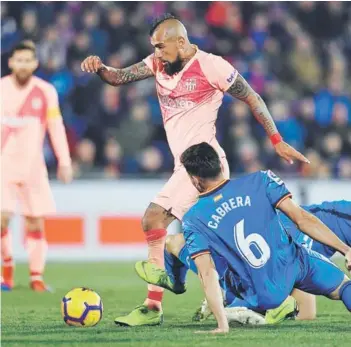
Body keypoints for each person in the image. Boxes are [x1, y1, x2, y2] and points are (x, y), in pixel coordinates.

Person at [81, 13, 309, 326]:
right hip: (185, 166)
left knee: (153, 218)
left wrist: (277, 140)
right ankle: (267, 301)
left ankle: (155, 303)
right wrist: (100, 68)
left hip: (205, 164)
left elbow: (252, 97)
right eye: (154, 47)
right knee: (211, 243)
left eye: (161, 46)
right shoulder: (159, 63)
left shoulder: (212, 65)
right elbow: (118, 77)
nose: (157, 52)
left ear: (181, 41)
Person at [135, 142, 351, 334]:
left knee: (174, 243)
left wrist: (222, 325)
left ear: (195, 179)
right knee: (343, 287)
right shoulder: (262, 179)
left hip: (260, 293)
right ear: (221, 165)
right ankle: (251, 305)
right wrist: (346, 250)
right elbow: (302, 220)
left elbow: (207, 272)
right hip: (294, 264)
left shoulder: (194, 218)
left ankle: (228, 304)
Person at [158, 200, 351, 323]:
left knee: (300, 309)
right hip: (292, 238)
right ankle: (233, 305)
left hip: (286, 239)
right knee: (304, 311)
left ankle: (232, 302)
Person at [1, 41, 73, 292]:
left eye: (27, 60)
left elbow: (56, 127)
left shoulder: (45, 91)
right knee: (2, 219)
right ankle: (6, 273)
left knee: (35, 222)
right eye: (18, 60)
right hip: (3, 166)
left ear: (35, 63)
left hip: (33, 167)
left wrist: (64, 161)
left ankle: (36, 277)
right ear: (11, 62)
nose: (22, 65)